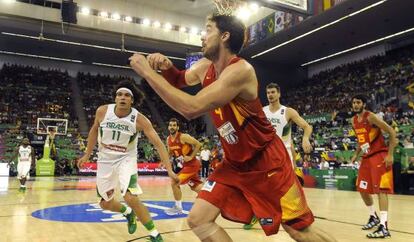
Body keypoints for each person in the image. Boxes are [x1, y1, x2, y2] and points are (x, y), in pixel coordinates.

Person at [129, 14, 335, 242]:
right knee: (198, 219)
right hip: (235, 164)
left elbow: (191, 107)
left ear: (225, 36)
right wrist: (167, 67)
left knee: (297, 229)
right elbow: (179, 79)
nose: (202, 36)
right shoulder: (204, 66)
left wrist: (147, 74)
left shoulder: (241, 71)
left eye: (208, 30)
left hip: (266, 162)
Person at [77, 80, 178, 242]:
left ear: (132, 100)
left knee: (130, 197)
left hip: (126, 159)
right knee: (105, 204)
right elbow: (94, 130)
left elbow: (159, 145)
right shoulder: (102, 111)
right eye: (119, 95)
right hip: (105, 160)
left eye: (126, 95)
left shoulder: (140, 119)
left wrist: (170, 170)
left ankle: (154, 234)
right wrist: (87, 154)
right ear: (115, 98)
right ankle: (127, 213)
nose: (122, 97)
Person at [243, 82, 313, 230]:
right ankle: (258, 213)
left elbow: (307, 126)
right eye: (268, 93)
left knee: (287, 189)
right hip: (265, 155)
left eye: (273, 92)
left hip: (283, 155)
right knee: (260, 186)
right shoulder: (261, 111)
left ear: (279, 94)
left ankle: (297, 216)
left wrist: (305, 138)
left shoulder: (288, 112)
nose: (270, 95)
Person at [350, 94, 398, 238]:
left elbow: (391, 131)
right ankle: (373, 217)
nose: (355, 105)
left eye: (358, 102)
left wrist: (390, 154)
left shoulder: (370, 117)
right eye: (353, 103)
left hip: (379, 155)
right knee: (362, 188)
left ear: (364, 104)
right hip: (366, 158)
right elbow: (362, 140)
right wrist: (355, 154)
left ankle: (384, 227)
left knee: (381, 190)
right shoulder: (353, 121)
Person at [164, 118, 203, 215]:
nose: (172, 127)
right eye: (170, 125)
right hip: (185, 166)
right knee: (195, 187)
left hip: (192, 165)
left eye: (174, 125)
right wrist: (164, 161)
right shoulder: (168, 139)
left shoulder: (183, 137)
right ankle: (213, 200)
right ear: (168, 127)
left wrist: (191, 156)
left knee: (174, 182)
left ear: (177, 127)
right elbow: (169, 152)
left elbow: (198, 144)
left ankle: (178, 207)